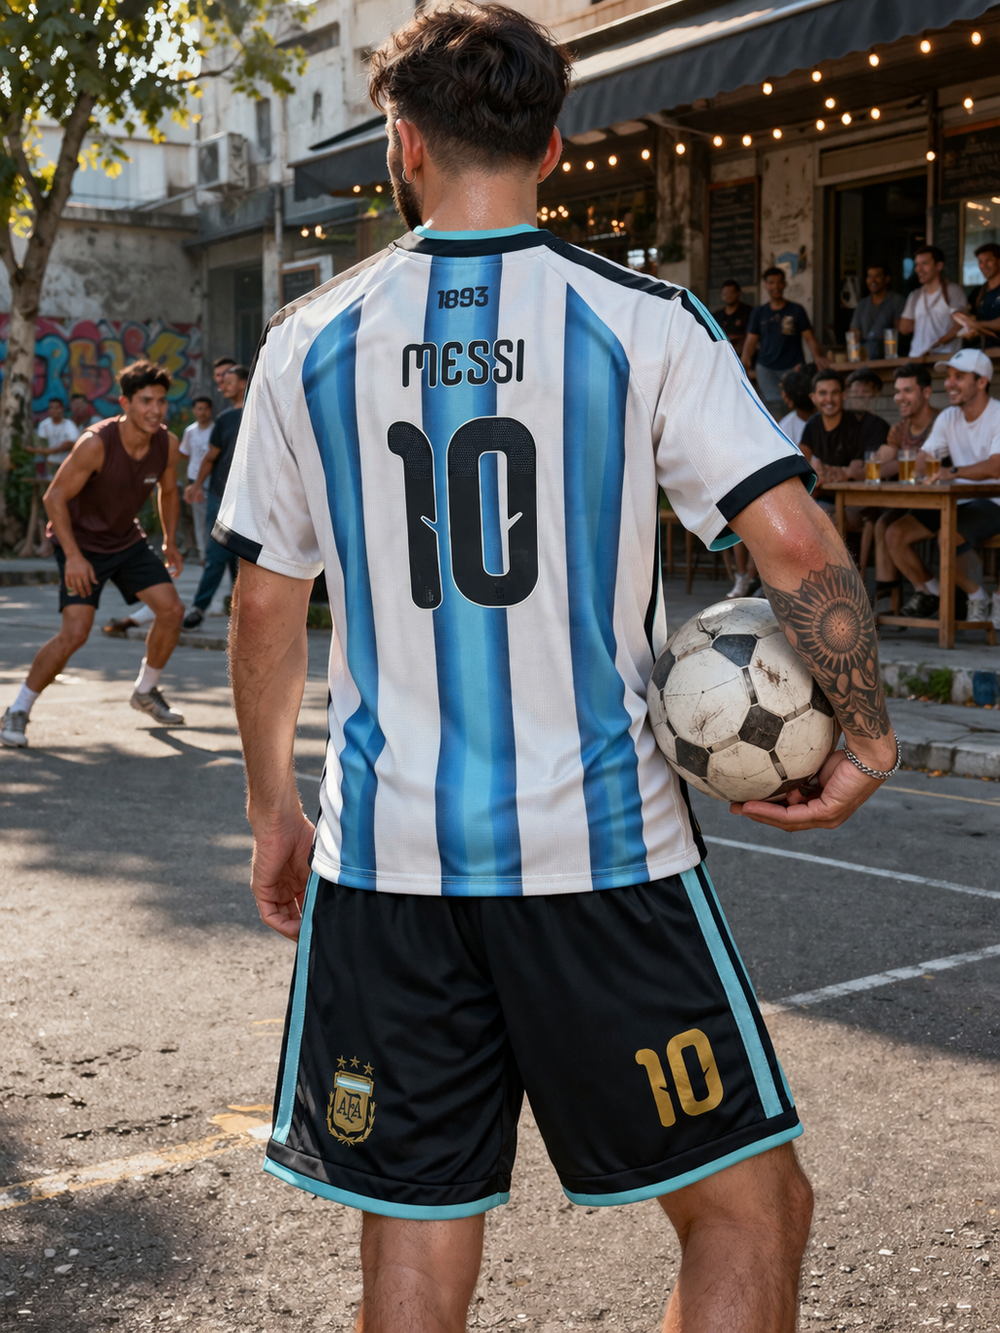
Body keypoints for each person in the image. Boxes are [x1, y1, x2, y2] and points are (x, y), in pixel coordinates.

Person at [216, 9, 900, 1333]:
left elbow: (264, 603)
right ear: (554, 148)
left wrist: (273, 812)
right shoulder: (642, 319)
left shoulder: (309, 337)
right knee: (747, 1211)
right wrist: (865, 729)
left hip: (388, 862)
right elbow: (794, 541)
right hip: (602, 855)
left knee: (414, 1234)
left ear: (404, 146)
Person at [0, 361, 186, 748]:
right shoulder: (96, 443)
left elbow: (168, 492)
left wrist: (169, 541)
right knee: (75, 633)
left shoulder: (166, 444)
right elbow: (54, 498)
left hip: (126, 540)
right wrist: (73, 556)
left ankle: (145, 691)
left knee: (171, 610)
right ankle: (17, 709)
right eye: (146, 401)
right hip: (81, 543)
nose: (155, 410)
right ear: (125, 403)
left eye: (161, 401)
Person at [886, 349, 1000, 626]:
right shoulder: (949, 416)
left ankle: (976, 597)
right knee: (896, 533)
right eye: (948, 376)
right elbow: (924, 461)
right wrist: (924, 465)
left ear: (981, 382)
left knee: (948, 535)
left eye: (958, 377)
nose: (949, 383)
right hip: (958, 500)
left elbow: (996, 468)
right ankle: (938, 595)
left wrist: (951, 472)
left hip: (994, 501)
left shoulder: (997, 414)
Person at [866, 363, 938, 607]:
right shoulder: (899, 428)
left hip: (940, 502)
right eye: (897, 391)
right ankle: (898, 595)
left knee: (891, 529)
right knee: (882, 523)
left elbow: (919, 466)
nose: (899, 397)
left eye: (907, 390)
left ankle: (929, 594)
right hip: (911, 501)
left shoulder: (940, 423)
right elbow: (881, 462)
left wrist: (895, 462)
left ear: (926, 392)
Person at [181, 365, 246, 629]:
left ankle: (241, 613)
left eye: (229, 381)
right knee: (216, 554)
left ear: (243, 383)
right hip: (220, 496)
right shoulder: (225, 418)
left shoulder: (261, 414)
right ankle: (199, 608)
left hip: (249, 499)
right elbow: (210, 456)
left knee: (241, 559)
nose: (222, 386)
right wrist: (196, 485)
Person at [741, 266, 827, 410]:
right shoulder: (759, 313)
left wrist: (817, 356)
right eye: (771, 282)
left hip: (794, 367)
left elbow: (809, 337)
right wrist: (744, 362)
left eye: (779, 282)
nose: (776, 286)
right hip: (766, 369)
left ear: (785, 284)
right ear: (765, 285)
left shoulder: (796, 310)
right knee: (775, 407)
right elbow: (751, 341)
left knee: (797, 405)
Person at [898, 246, 968, 358]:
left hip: (946, 357)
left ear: (939, 266)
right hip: (917, 357)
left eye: (924, 263)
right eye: (917, 265)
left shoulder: (952, 290)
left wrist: (938, 344)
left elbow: (961, 323)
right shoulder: (915, 295)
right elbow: (904, 329)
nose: (918, 269)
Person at [179, 395, 215, 560]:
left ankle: (214, 552)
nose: (203, 412)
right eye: (199, 409)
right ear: (194, 410)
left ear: (211, 410)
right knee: (199, 519)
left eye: (206, 409)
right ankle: (203, 553)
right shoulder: (190, 431)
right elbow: (185, 453)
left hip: (213, 480)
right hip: (195, 480)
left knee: (213, 518)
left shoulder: (215, 430)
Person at [849, 264, 905, 362]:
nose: (872, 280)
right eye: (869, 276)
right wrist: (854, 357)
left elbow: (899, 332)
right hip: (865, 358)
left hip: (888, 358)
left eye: (877, 276)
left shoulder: (897, 301)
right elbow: (854, 333)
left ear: (887, 279)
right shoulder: (862, 304)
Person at [956, 241, 1000, 349]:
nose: (983, 266)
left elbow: (975, 323)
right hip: (987, 354)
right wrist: (970, 331)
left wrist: (977, 325)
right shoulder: (978, 293)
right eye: (980, 261)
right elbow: (973, 326)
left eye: (989, 260)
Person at [28, 398, 80, 478]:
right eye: (51, 407)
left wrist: (53, 450)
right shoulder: (44, 425)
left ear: (62, 409)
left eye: (57, 407)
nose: (54, 410)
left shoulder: (69, 425)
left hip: (66, 463)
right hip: (50, 463)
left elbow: (72, 443)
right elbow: (41, 445)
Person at [712, 279, 753, 356]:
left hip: (742, 354)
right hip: (722, 354)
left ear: (738, 293)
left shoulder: (749, 312)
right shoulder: (717, 315)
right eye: (725, 293)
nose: (728, 296)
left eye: (731, 292)